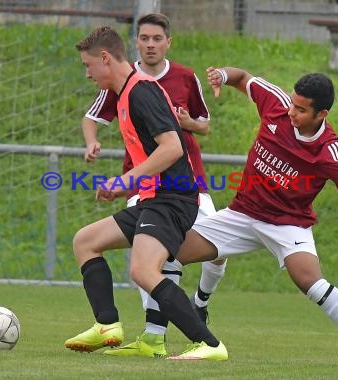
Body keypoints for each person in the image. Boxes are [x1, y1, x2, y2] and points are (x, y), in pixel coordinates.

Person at [173, 66, 338, 369]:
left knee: (311, 283)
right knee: (170, 255)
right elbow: (243, 78)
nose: (292, 112)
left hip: (288, 223)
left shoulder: (329, 149)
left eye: (302, 110)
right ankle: (187, 315)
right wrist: (223, 76)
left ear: (322, 114)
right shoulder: (277, 104)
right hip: (242, 214)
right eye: (293, 104)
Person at [64, 25, 228, 361]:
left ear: (105, 59)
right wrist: (127, 185)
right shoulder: (125, 94)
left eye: (88, 65)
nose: (87, 74)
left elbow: (172, 149)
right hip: (156, 198)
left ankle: (209, 344)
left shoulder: (141, 92)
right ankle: (107, 326)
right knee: (85, 241)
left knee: (143, 270)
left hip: (174, 199)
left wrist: (126, 181)